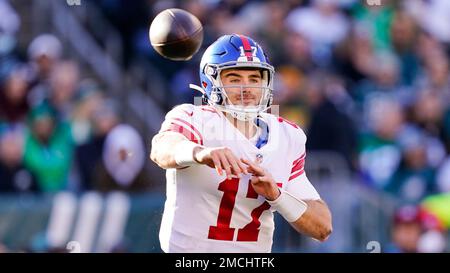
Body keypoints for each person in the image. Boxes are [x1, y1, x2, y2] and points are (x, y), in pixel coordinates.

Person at [150, 34, 332, 253]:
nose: (247, 88)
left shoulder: (287, 135)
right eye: (235, 79)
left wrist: (277, 196)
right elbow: (162, 148)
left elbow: (322, 227)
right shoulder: (194, 118)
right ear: (211, 83)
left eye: (254, 79)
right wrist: (200, 153)